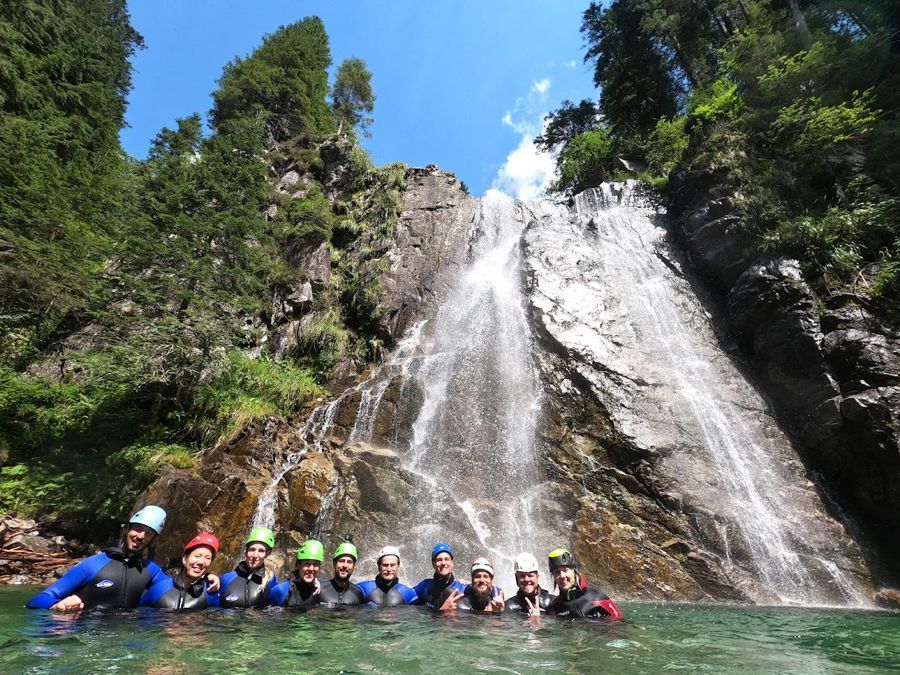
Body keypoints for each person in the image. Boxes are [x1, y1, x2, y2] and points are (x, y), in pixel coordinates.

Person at [26, 505, 169, 611]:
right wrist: (56, 605)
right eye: (138, 528)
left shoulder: (151, 570)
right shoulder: (93, 565)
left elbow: (178, 589)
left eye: (149, 533)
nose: (141, 536)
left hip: (126, 637)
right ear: (127, 529)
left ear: (153, 539)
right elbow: (36, 600)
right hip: (87, 636)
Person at [140, 533, 220, 610]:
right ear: (184, 559)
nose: (201, 562)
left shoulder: (210, 592)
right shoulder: (160, 588)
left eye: (207, 558)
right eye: (197, 556)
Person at [544, 548, 622, 619]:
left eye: (565, 570)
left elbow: (619, 624)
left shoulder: (595, 597)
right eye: (557, 572)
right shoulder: (554, 607)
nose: (562, 576)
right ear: (553, 576)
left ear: (574, 571)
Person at [217, 527, 278, 608]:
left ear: (267, 554)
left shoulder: (270, 580)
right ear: (246, 552)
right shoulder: (226, 579)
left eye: (261, 551)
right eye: (252, 550)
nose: (255, 555)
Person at [269, 539, 325, 608]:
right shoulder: (281, 591)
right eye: (307, 563)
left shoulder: (320, 589)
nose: (311, 569)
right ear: (298, 565)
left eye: (315, 564)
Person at [440, 556, 505, 613]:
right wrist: (444, 610)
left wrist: (498, 613)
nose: (482, 580)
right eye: (478, 576)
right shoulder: (459, 602)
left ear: (491, 579)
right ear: (472, 580)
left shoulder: (497, 598)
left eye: (485, 576)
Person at [411, 543, 466, 608]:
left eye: (446, 559)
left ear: (452, 563)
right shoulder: (425, 586)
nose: (443, 563)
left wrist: (473, 582)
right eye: (439, 560)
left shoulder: (463, 589)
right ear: (433, 564)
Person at [317, 537, 366, 605]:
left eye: (349, 562)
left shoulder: (358, 593)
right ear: (334, 563)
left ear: (354, 565)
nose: (345, 565)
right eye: (341, 561)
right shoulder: (320, 590)